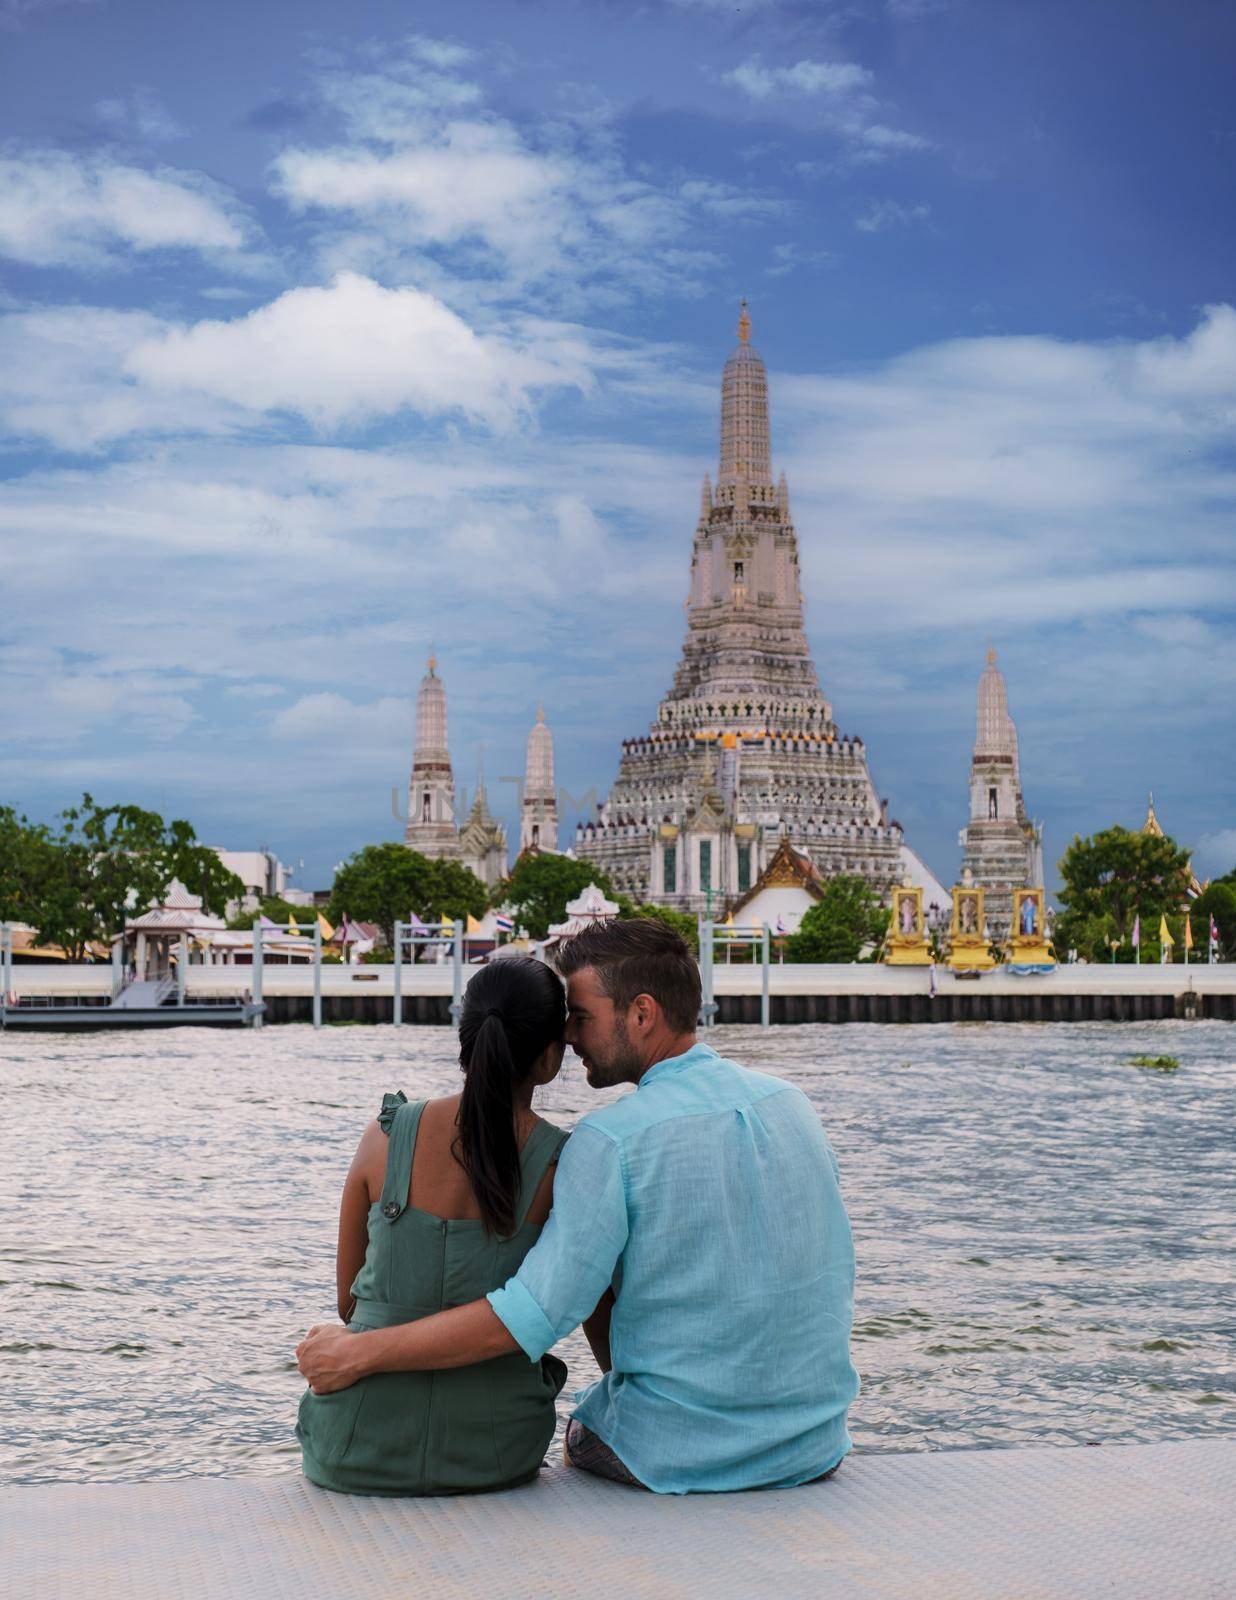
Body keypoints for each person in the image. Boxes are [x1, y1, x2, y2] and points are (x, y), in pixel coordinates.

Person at [298, 919, 859, 1495]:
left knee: (583, 1421)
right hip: (812, 1443)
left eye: (583, 1017)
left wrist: (358, 1353)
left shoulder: (611, 1141)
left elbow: (532, 1315)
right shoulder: (794, 1106)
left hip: (677, 1453)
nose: (568, 1036)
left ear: (641, 1014)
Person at [297, 953, 598, 1495]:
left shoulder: (386, 1136)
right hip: (493, 1452)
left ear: (465, 1037)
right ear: (551, 1060)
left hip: (353, 1448)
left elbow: (348, 1303)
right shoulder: (561, 1166)